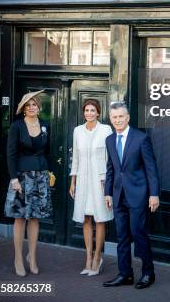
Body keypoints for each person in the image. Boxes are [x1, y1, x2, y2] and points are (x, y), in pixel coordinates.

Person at [103, 102, 160, 290]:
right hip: (118, 196)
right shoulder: (110, 140)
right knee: (122, 237)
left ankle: (148, 273)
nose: (117, 120)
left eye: (121, 116)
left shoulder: (141, 138)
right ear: (111, 120)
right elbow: (111, 169)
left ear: (127, 118)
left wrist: (154, 194)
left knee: (139, 234)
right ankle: (125, 274)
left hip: (138, 195)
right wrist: (108, 193)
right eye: (114, 117)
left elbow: (151, 168)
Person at [4, 90, 52, 277]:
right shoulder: (16, 127)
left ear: (39, 108)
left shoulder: (46, 125)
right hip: (22, 177)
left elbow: (47, 151)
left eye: (34, 104)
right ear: (24, 109)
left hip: (41, 175)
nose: (32, 107)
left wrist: (49, 171)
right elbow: (11, 154)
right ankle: (18, 258)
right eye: (28, 105)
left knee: (35, 217)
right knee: (20, 217)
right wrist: (14, 178)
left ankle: (32, 257)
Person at [69, 99, 113, 276]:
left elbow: (111, 159)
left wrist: (109, 182)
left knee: (100, 218)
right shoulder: (77, 131)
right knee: (86, 218)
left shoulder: (106, 130)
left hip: (100, 180)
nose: (89, 113)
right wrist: (73, 181)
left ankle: (97, 257)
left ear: (98, 112)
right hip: (83, 180)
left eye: (92, 110)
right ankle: (87, 258)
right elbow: (76, 158)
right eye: (86, 110)